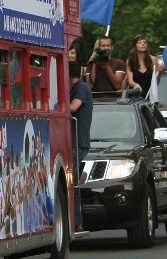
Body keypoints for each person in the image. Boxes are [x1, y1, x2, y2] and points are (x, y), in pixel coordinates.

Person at [69, 60, 92, 232]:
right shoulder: (77, 87)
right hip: (75, 141)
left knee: (73, 184)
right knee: (73, 182)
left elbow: (72, 107)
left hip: (78, 141)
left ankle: (77, 221)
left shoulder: (81, 88)